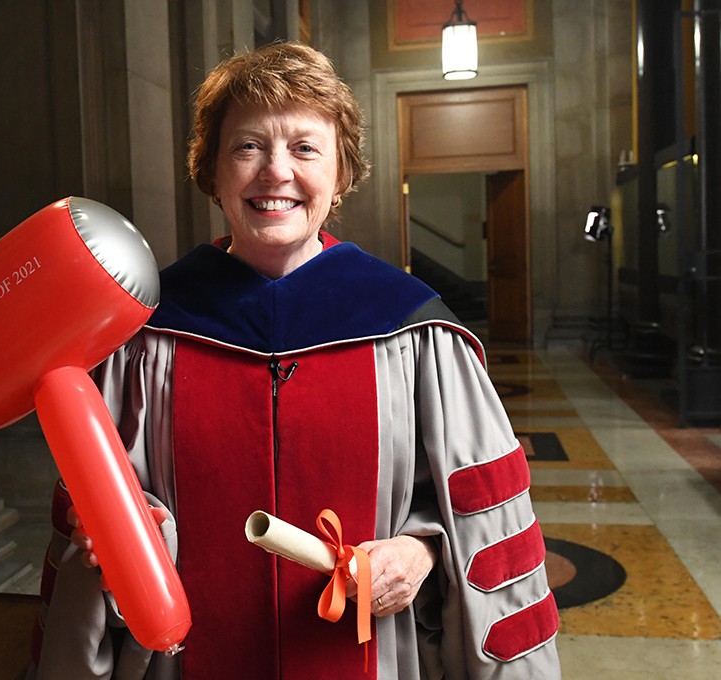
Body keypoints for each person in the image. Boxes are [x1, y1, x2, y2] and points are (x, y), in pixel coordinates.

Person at [30, 42, 561, 679]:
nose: (275, 172)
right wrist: (131, 536)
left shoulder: (414, 331)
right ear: (214, 171)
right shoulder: (146, 334)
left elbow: (481, 519)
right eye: (248, 146)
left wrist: (421, 551)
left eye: (305, 148)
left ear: (340, 175)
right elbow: (95, 515)